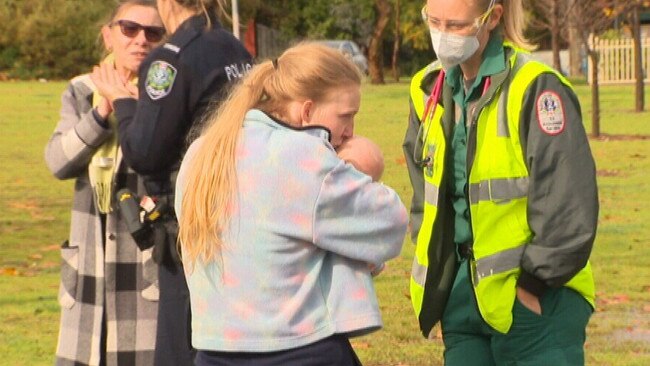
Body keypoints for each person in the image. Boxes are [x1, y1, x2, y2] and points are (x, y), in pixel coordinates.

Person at [174, 42, 408, 365]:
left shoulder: (202, 153)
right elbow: (390, 224)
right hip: (301, 349)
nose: (350, 131)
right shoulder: (303, 156)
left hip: (213, 350)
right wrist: (357, 165)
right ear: (307, 111)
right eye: (346, 116)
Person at [404, 0, 598, 365]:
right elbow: (425, 197)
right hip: (463, 301)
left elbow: (569, 206)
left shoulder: (535, 88)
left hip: (537, 303)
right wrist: (444, 283)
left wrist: (533, 286)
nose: (442, 36)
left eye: (457, 26)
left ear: (492, 17)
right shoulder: (426, 90)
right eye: (433, 21)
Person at [90, 0, 253, 364]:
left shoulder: (169, 61)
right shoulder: (232, 46)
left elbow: (146, 152)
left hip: (190, 226)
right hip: (238, 212)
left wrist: (122, 102)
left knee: (181, 343)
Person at [44, 1, 165, 365]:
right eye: (129, 28)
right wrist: (104, 111)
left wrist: (134, 106)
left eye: (153, 33)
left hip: (145, 262)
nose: (140, 40)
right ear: (108, 35)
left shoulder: (168, 95)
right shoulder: (81, 91)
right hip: (89, 266)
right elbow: (58, 162)